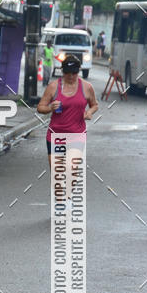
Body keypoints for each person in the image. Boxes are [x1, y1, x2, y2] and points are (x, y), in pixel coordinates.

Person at [36, 53, 98, 200]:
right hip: (55, 135)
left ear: (79, 71)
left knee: (73, 170)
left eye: (74, 73)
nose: (71, 76)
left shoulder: (87, 87)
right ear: (62, 71)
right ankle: (60, 201)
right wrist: (50, 107)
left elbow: (95, 105)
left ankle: (68, 198)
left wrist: (89, 112)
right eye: (67, 73)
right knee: (57, 174)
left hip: (76, 134)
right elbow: (40, 107)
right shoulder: (53, 87)